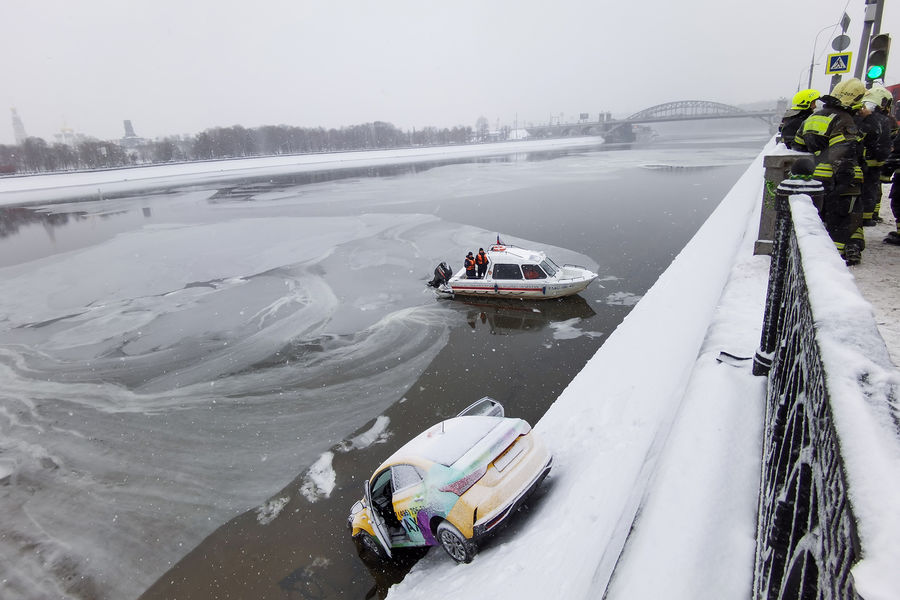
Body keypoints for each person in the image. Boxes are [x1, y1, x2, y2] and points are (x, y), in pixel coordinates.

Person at [794, 78, 866, 265]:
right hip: (838, 179)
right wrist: (845, 182)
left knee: (820, 218)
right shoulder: (844, 120)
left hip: (816, 178)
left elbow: (798, 145)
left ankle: (818, 254)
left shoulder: (814, 116)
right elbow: (844, 154)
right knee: (842, 219)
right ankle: (836, 259)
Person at [858, 87, 893, 227]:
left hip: (857, 161)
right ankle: (867, 217)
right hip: (873, 163)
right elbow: (884, 144)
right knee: (870, 189)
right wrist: (884, 159)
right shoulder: (883, 120)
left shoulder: (858, 115)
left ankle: (856, 213)